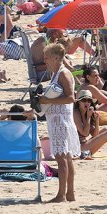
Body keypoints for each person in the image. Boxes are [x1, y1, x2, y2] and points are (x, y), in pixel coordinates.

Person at [37, 43, 80, 202]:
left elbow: (71, 98)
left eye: (47, 57)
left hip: (61, 120)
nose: (45, 60)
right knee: (66, 158)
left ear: (56, 58)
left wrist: (47, 100)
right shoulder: (57, 73)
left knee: (62, 159)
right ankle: (69, 194)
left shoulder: (63, 73)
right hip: (57, 119)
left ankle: (62, 194)